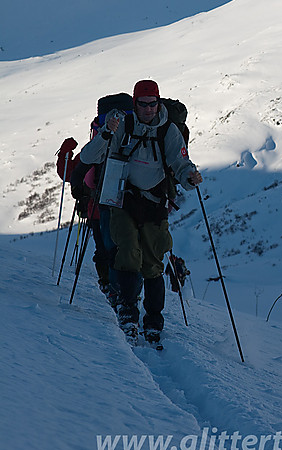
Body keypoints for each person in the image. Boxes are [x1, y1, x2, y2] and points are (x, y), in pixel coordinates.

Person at [78, 80, 202, 343]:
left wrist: (189, 176)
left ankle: (153, 320)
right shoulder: (121, 125)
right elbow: (88, 157)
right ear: (135, 103)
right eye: (143, 104)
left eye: (153, 104)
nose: (148, 109)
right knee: (128, 253)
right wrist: (105, 134)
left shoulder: (168, 131)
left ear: (159, 102)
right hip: (122, 200)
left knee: (153, 262)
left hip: (153, 203)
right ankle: (128, 314)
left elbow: (179, 163)